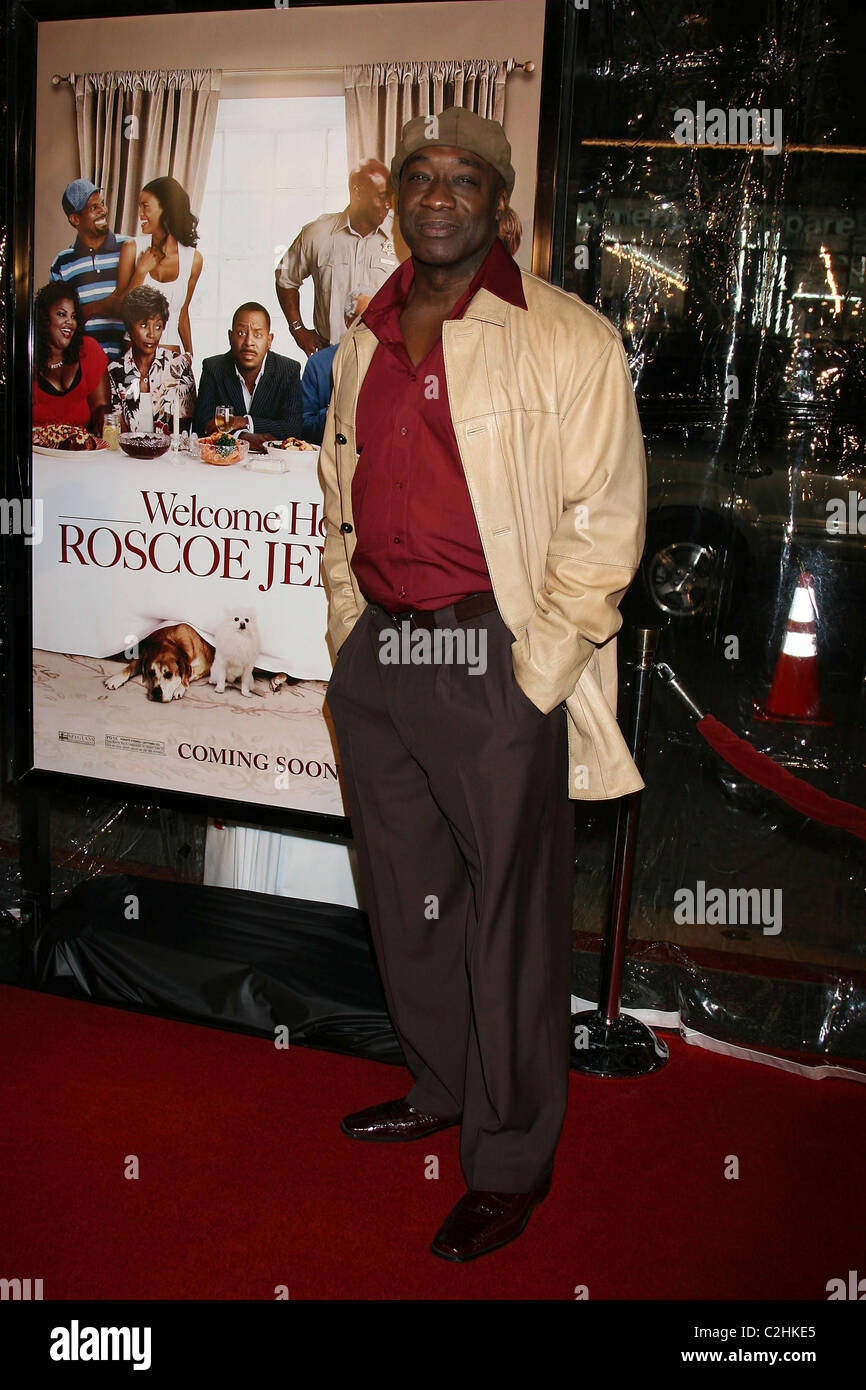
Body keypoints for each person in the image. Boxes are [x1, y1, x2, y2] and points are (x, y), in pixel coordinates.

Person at [320, 108, 647, 1262]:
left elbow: (603, 525)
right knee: (408, 899)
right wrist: (346, 630)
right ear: (397, 193)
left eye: (466, 179)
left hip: (489, 656)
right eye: (420, 176)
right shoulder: (362, 333)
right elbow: (338, 488)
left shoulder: (566, 337)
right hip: (384, 658)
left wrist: (536, 673)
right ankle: (442, 1080)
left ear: (500, 202)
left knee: (508, 924)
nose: (440, 194)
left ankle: (509, 1158)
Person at [275, 158, 398, 355]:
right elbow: (285, 278)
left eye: (390, 197)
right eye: (382, 197)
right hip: (330, 358)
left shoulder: (402, 237)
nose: (388, 205)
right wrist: (298, 330)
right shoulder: (318, 234)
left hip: (383, 361)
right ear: (357, 192)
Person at [192, 302, 302, 449]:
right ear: (230, 337)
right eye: (241, 333)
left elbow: (293, 429)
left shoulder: (288, 370)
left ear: (269, 341)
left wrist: (245, 422)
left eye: (258, 335)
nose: (249, 342)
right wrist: (243, 438)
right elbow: (202, 426)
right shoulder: (214, 368)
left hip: (271, 466)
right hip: (223, 464)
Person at [49, 180, 136, 362]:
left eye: (102, 204)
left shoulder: (130, 248)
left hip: (129, 368)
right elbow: (58, 322)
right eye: (93, 207)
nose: (103, 211)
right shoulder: (62, 263)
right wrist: (100, 307)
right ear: (75, 219)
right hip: (84, 368)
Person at [118, 176, 203, 356]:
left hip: (172, 359)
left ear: (166, 208)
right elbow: (121, 308)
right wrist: (140, 272)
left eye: (145, 206)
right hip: (133, 358)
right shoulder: (131, 249)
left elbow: (182, 313)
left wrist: (189, 353)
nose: (140, 213)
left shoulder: (193, 260)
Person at [108, 286, 197, 433]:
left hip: (170, 454)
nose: (152, 334)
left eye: (158, 326)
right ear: (129, 328)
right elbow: (117, 433)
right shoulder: (115, 371)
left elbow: (185, 429)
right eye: (143, 325)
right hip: (126, 454)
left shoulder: (179, 367)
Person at [32, 281, 110, 432]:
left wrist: (102, 422)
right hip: (38, 452)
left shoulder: (88, 349)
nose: (70, 322)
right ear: (44, 318)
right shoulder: (28, 356)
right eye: (61, 314)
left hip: (79, 450)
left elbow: (101, 406)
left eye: (73, 316)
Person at [300, 287, 373, 445]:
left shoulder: (392, 364)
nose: (370, 325)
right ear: (348, 322)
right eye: (363, 318)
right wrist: (335, 411)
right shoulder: (318, 364)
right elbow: (304, 427)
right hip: (329, 457)